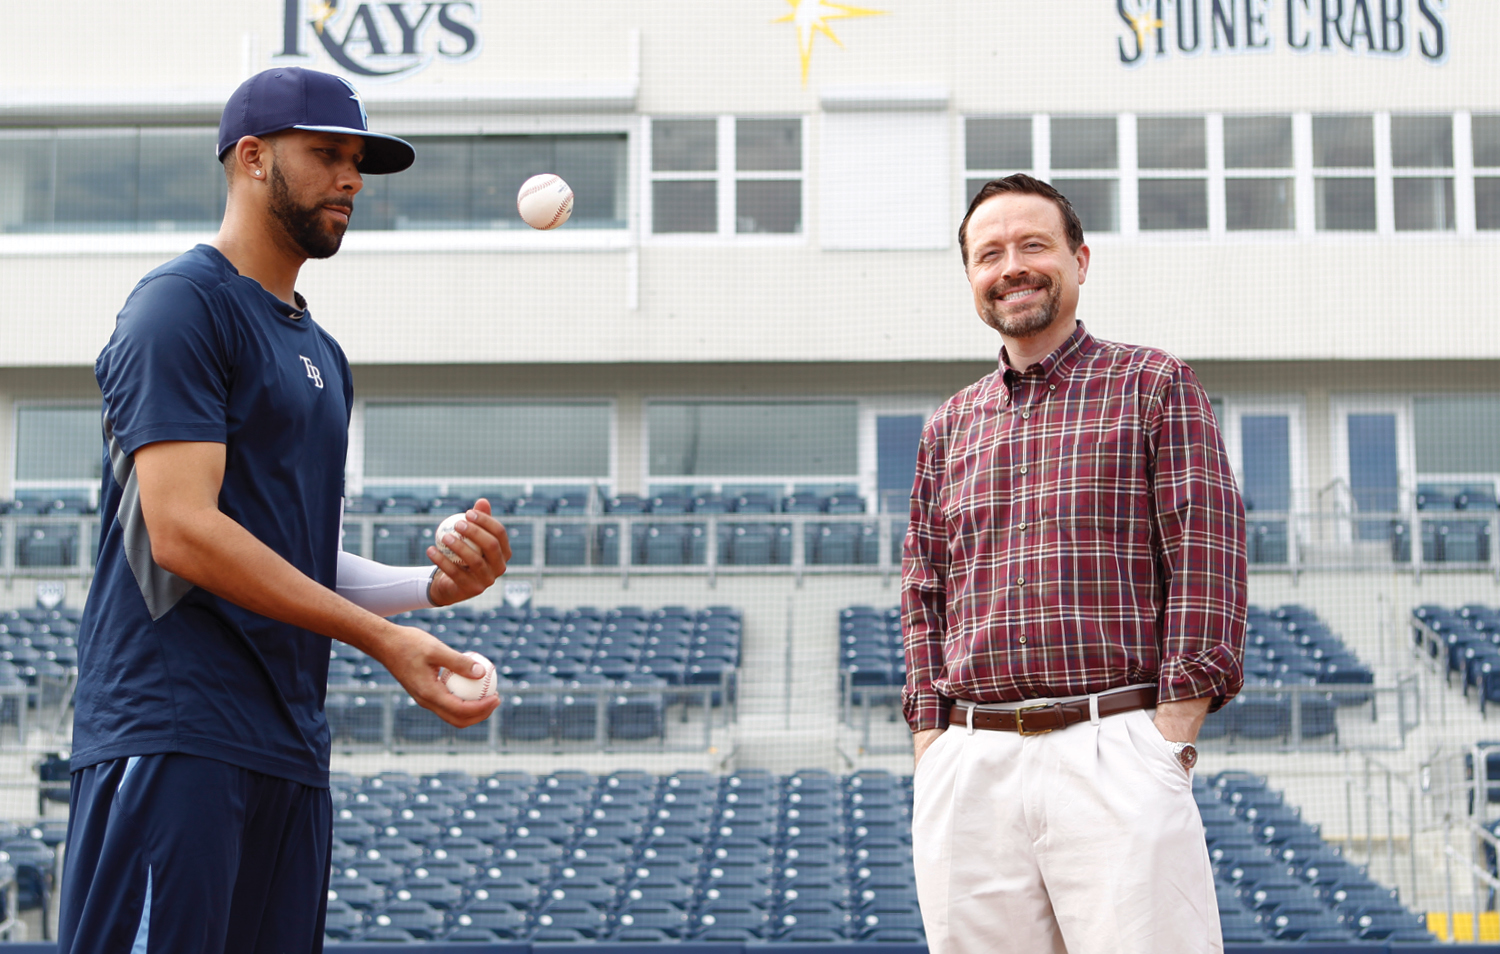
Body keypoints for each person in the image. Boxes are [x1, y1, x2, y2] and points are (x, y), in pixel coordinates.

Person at [59, 67, 511, 953]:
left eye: (358, 161)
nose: (350, 177)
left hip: (289, 747)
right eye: (327, 155)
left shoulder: (322, 353)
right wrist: (382, 641)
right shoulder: (179, 308)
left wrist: (429, 588)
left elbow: (300, 560)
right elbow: (183, 530)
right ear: (252, 158)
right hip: (174, 731)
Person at [903, 173, 1247, 954]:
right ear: (971, 278)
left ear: (1080, 259)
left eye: (1033, 244)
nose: (1011, 266)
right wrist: (932, 738)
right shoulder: (950, 426)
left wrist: (1172, 731)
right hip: (972, 758)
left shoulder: (1152, 384)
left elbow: (1207, 551)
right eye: (989, 253)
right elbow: (924, 585)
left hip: (1114, 745)